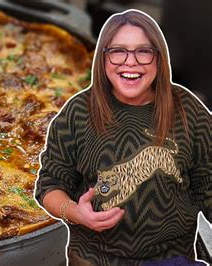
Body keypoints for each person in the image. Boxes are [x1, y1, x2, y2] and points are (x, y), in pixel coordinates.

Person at [34, 9, 211, 265]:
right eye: (118, 51)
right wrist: (76, 213)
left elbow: (209, 186)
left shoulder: (188, 110)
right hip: (91, 260)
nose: (131, 62)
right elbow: (50, 185)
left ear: (159, 58)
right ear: (103, 58)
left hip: (169, 259)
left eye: (143, 51)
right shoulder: (78, 111)